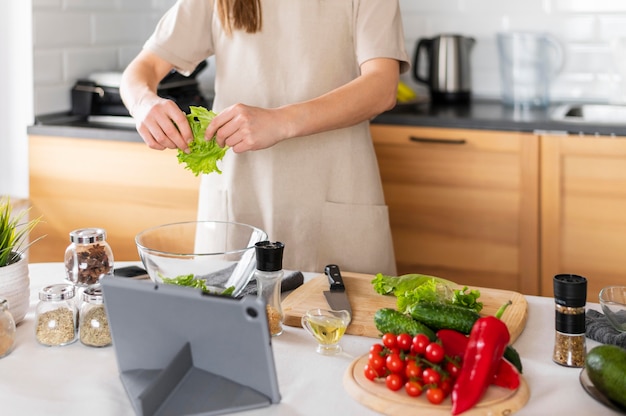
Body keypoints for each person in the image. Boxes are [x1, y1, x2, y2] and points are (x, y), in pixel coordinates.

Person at [120, 0, 410, 275]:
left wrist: (280, 122)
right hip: (238, 195)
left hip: (336, 189)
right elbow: (141, 70)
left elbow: (382, 86)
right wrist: (143, 103)